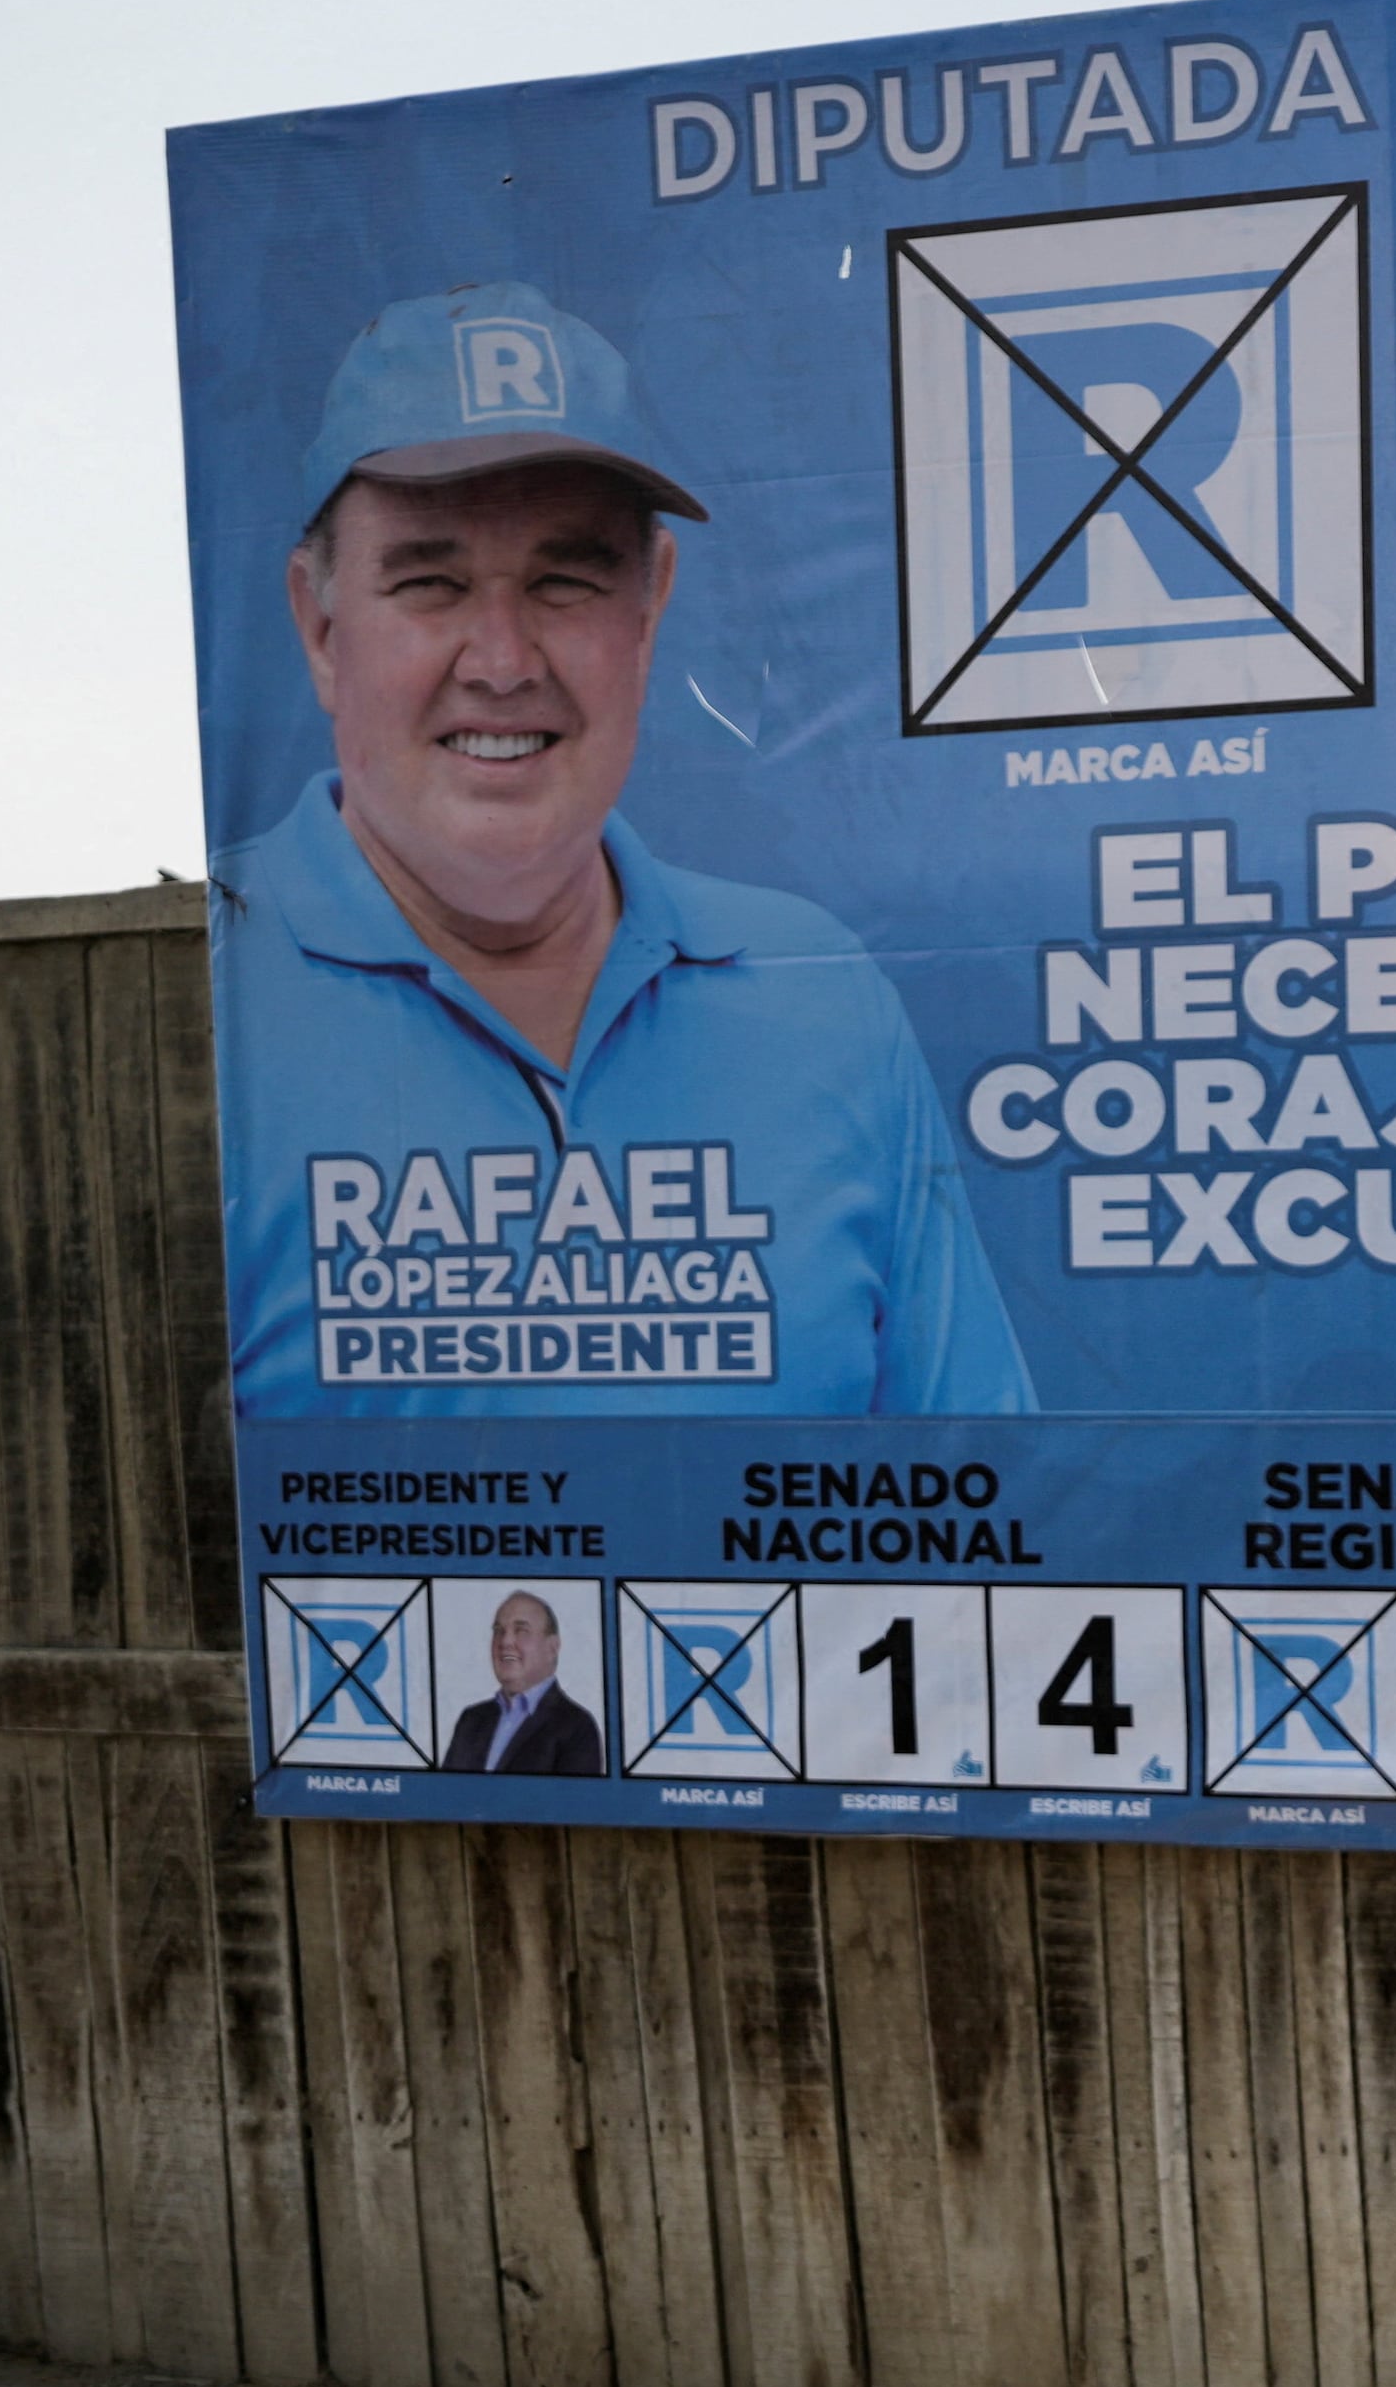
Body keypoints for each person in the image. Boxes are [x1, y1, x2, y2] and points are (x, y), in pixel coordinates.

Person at [213, 280, 1034, 1422]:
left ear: (648, 614)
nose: (500, 660)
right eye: (430, 583)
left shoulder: (818, 991)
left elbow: (982, 1504)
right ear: (318, 624)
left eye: (566, 580)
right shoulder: (191, 1003)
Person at [438, 1590, 603, 1775]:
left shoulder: (576, 1728)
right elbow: (444, 1795)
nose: (505, 1641)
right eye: (499, 1631)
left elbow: (575, 1803)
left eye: (522, 1631)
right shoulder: (471, 1720)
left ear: (552, 1648)